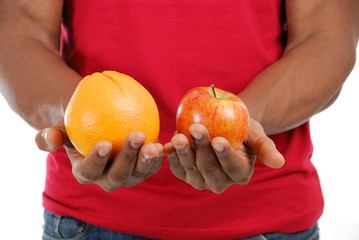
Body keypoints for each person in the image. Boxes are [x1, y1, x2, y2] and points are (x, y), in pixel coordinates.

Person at [0, 0, 358, 239]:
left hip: (270, 217)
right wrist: (75, 117)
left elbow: (325, 35)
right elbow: (20, 32)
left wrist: (243, 122)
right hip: (87, 219)